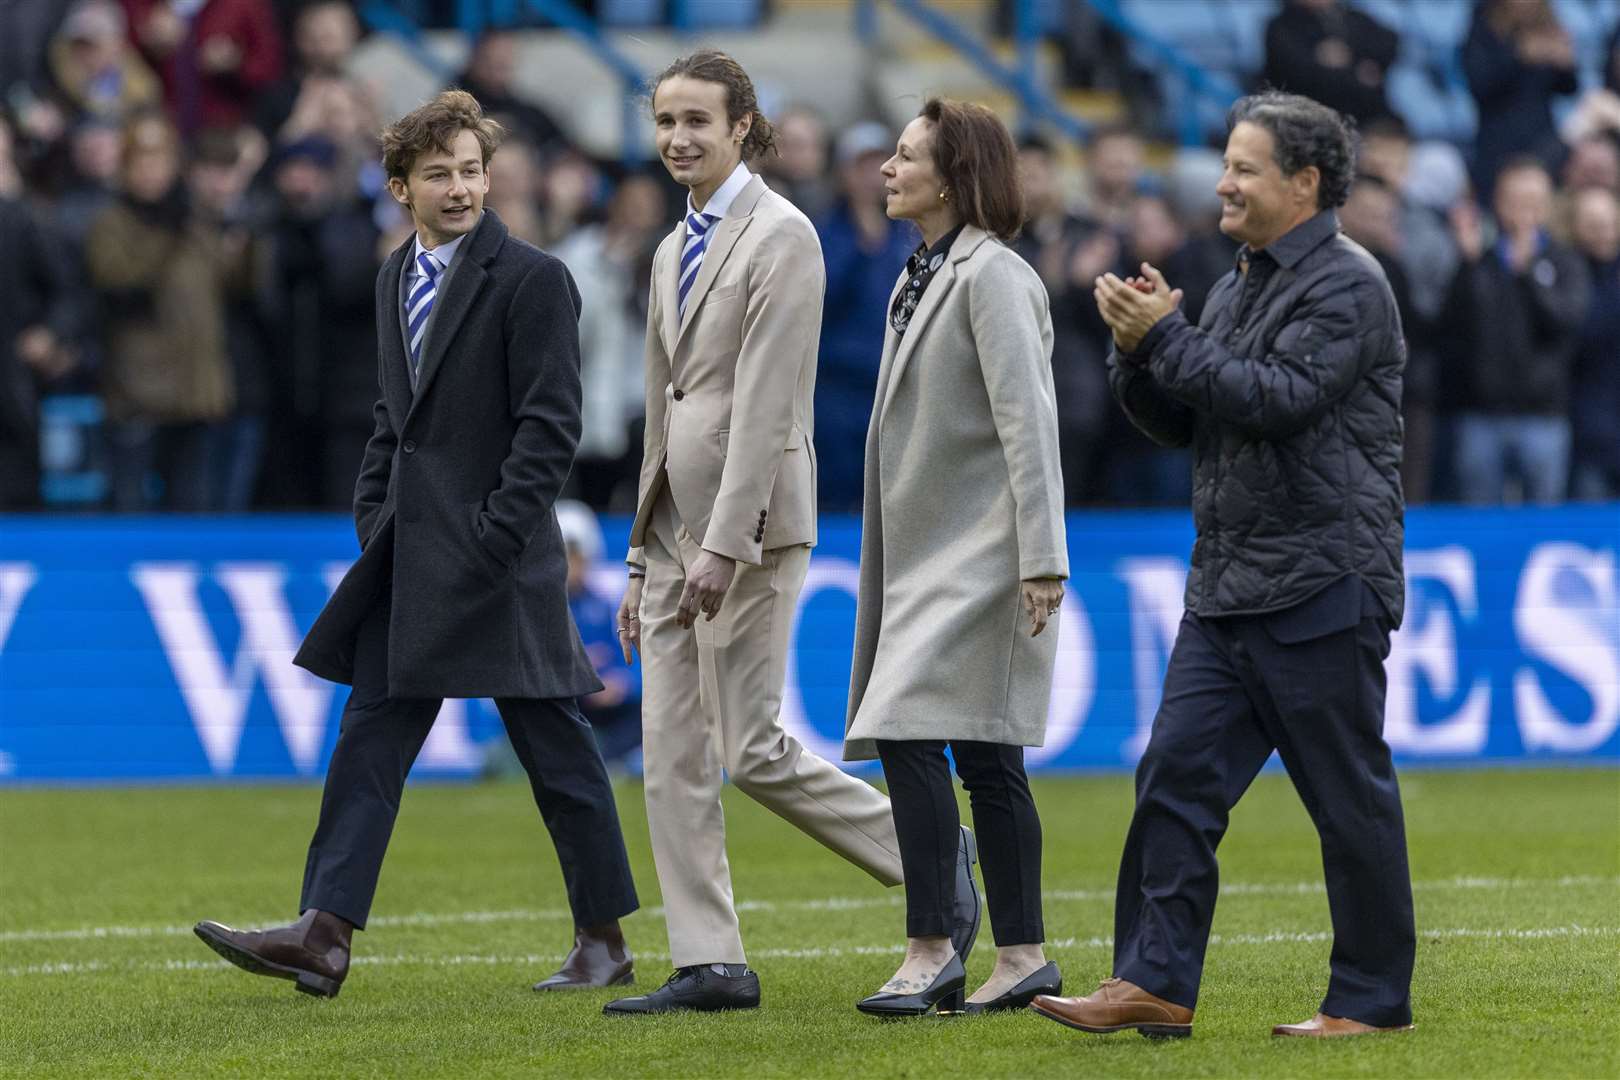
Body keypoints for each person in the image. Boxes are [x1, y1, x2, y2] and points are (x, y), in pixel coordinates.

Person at [193, 90, 640, 998]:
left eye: (472, 170)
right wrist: (375, 512)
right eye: (439, 173)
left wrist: (491, 540)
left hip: (497, 563)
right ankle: (324, 935)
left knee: (558, 754)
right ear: (400, 186)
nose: (462, 187)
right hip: (409, 553)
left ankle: (605, 942)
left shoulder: (534, 279)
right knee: (368, 740)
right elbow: (392, 421)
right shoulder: (396, 272)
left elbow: (550, 429)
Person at [1035, 91, 1414, 1040]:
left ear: (1305, 182)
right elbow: (1191, 419)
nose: (1223, 183)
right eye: (1228, 165)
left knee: (1345, 800)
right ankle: (1153, 982)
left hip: (1325, 580)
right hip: (1231, 585)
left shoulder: (1350, 284)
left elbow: (1277, 398)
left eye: (1244, 167)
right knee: (1173, 777)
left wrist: (1165, 336)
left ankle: (1371, 999)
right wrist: (1135, 354)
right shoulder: (1240, 280)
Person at [605, 49, 975, 1016]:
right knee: (671, 755)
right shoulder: (666, 247)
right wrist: (644, 550)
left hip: (753, 532)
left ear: (742, 129)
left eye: (699, 121)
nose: (679, 138)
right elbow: (662, 407)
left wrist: (724, 544)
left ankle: (930, 858)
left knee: (751, 749)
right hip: (674, 530)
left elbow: (771, 407)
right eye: (667, 122)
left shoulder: (784, 237)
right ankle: (710, 962)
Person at [846, 99, 1067, 1019]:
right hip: (927, 551)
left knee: (906, 731)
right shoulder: (925, 270)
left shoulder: (995, 278)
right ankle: (1023, 957)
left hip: (981, 552)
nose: (887, 170)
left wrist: (1042, 555)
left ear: (952, 177)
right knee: (986, 754)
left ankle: (932, 946)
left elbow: (1030, 421)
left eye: (905, 157)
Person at [86, 109, 235, 510]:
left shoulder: (197, 220)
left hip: (196, 389)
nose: (152, 171)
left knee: (193, 509)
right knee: (130, 508)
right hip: (138, 393)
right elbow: (119, 283)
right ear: (124, 167)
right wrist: (166, 233)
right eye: (142, 161)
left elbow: (231, 283)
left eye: (161, 160)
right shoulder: (112, 222)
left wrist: (240, 233)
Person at [1443, 157, 1589, 505]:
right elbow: (1453, 326)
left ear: (1547, 205)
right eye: (1514, 200)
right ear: (1498, 201)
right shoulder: (1480, 259)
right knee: (1480, 519)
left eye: (1532, 201)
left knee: (1543, 518)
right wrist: (1466, 265)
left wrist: (1528, 275)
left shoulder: (1564, 260)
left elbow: (1565, 322)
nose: (1523, 211)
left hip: (1543, 416)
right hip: (1482, 415)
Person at [813, 120, 915, 514]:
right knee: (836, 495)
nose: (872, 177)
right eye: (861, 166)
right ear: (843, 173)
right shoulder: (821, 234)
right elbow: (821, 299)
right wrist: (860, 245)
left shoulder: (908, 236)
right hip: (836, 392)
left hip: (892, 388)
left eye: (880, 165)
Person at [1261, 0, 1397, 124]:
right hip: (1308, 118)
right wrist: (1355, 73)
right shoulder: (1281, 27)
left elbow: (1389, 43)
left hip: (1365, 116)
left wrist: (1349, 56)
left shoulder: (1350, 17)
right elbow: (1301, 73)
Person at [1567, 186, 1620, 500]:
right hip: (1588, 435)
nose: (1602, 231)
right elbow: (1579, 333)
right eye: (1592, 222)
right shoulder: (1566, 270)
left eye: (1608, 221)